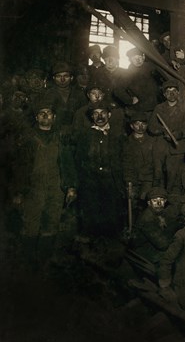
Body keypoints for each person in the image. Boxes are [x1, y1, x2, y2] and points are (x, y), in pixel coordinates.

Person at [13, 99, 77, 269]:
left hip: (56, 187)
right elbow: (20, 167)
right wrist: (18, 192)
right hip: (33, 187)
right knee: (31, 223)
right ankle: (27, 261)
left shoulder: (61, 138)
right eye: (42, 113)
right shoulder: (28, 138)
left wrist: (71, 187)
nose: (45, 116)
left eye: (49, 113)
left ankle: (44, 260)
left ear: (54, 117)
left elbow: (68, 163)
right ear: (36, 117)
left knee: (51, 221)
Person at [73, 100, 126, 238]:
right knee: (91, 225)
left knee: (113, 223)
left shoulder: (118, 136)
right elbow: (78, 161)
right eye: (95, 114)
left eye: (103, 113)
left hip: (112, 184)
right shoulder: (85, 136)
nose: (100, 116)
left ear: (109, 114)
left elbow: (125, 160)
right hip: (90, 185)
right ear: (92, 117)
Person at [148, 80, 185, 189]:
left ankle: (170, 197)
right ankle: (157, 196)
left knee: (173, 175)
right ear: (164, 94)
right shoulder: (159, 108)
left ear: (178, 93)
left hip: (177, 147)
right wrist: (162, 130)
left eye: (174, 91)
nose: (171, 94)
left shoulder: (184, 109)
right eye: (168, 91)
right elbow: (151, 127)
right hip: (161, 145)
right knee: (157, 173)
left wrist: (178, 134)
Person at [130, 187, 181, 275]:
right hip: (144, 252)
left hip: (152, 246)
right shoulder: (147, 218)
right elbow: (163, 244)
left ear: (165, 201)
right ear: (149, 203)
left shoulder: (159, 213)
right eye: (155, 200)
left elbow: (169, 225)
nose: (158, 203)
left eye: (161, 200)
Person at [122, 112, 157, 212]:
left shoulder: (153, 142)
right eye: (137, 124)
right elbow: (125, 164)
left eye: (143, 124)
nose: (140, 127)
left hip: (149, 179)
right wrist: (129, 181)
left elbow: (157, 163)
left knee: (148, 207)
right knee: (131, 207)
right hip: (133, 180)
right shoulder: (126, 143)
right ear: (132, 126)